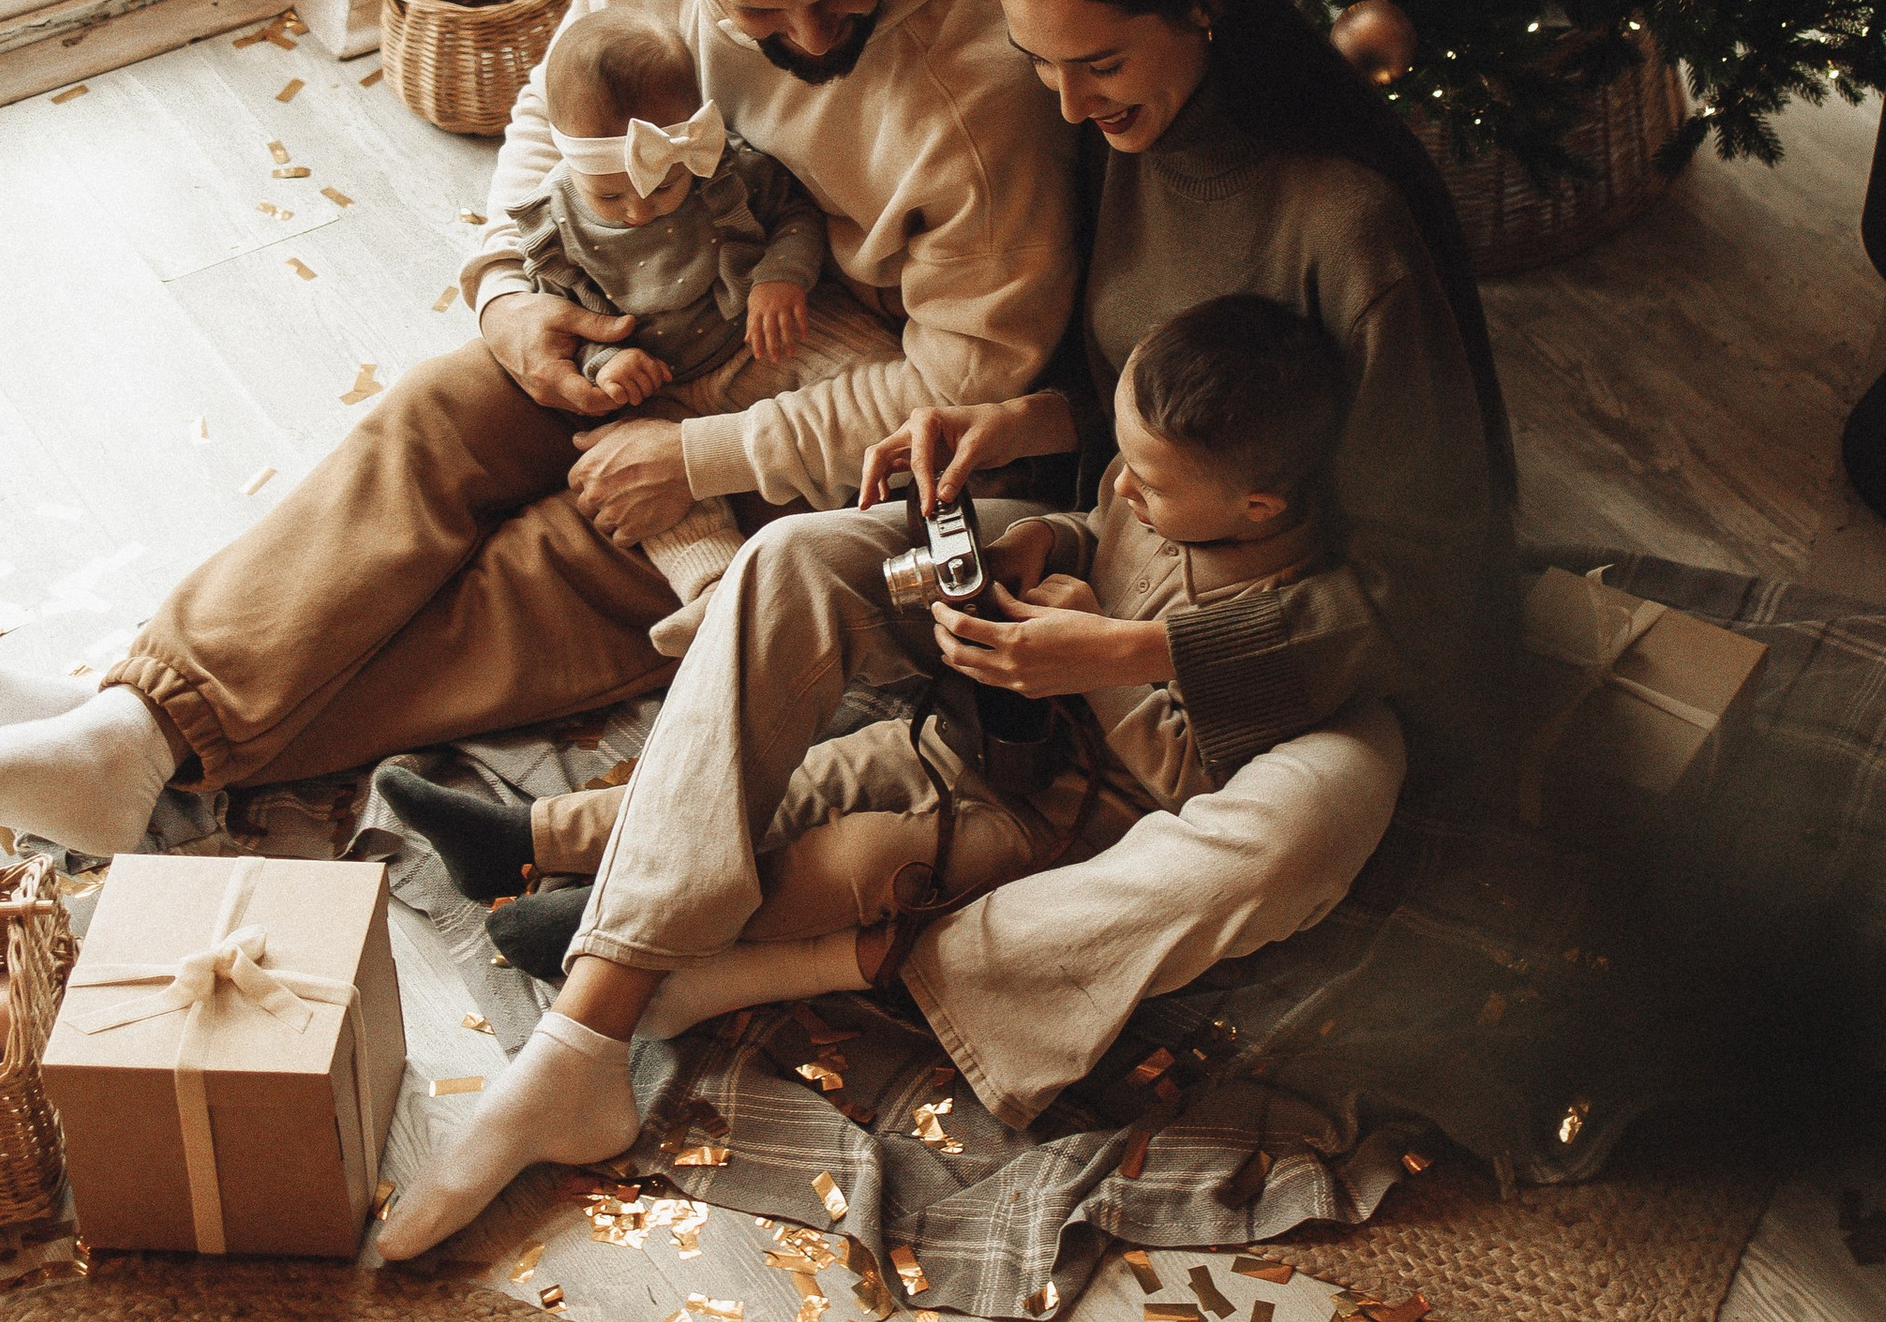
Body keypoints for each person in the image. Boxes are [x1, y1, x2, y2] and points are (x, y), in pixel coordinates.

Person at [374, 0, 1520, 1247]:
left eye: (1097, 65)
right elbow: (1139, 410)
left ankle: (778, 966)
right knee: (794, 560)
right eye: (1044, 71)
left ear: (1201, 9)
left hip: (1292, 681)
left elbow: (1433, 593)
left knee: (1296, 834)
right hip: (1107, 549)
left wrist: (1136, 646)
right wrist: (1017, 431)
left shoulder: (1349, 232)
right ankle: (590, 1035)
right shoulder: (1126, 147)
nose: (1073, 106)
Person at [0, 0, 1078, 856]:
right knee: (433, 417)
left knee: (551, 565)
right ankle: (124, 729)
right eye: (757, 14)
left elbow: (969, 386)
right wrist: (505, 290)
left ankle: (134, 744)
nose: (809, 38)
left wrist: (702, 456)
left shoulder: (982, 92)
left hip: (829, 391)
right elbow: (558, 115)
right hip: (647, 304)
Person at [378, 293, 1390, 1254]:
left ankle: (682, 964)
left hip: (1084, 820)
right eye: (1119, 465)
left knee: (863, 854)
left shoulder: (1297, 616)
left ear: (1259, 503)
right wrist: (1047, 540)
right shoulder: (1160, 501)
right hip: (990, 733)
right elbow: (1101, 531)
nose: (1121, 487)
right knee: (827, 743)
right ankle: (550, 849)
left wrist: (1099, 664)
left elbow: (1178, 777)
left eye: (1149, 482)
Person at [515, 4, 839, 645]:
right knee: (624, 467)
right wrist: (603, 363)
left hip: (754, 335)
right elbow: (562, 315)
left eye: (662, 185)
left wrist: (782, 277)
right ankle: (713, 593)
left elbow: (798, 218)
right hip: (656, 387)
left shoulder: (724, 172)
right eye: (610, 196)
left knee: (855, 374)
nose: (637, 209)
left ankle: (867, 524)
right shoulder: (557, 226)